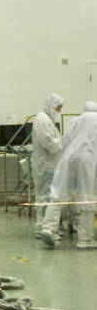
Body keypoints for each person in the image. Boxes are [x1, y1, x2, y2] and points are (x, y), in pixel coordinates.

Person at [38, 101, 97, 249]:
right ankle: (85, 239)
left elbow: (63, 142)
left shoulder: (75, 120)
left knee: (58, 194)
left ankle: (48, 228)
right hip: (88, 159)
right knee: (86, 198)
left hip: (68, 158)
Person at [31, 94, 64, 236]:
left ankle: (49, 227)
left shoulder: (47, 120)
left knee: (48, 196)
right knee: (43, 196)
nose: (59, 111)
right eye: (58, 107)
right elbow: (49, 143)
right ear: (51, 105)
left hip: (49, 164)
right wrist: (64, 142)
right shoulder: (42, 120)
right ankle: (41, 227)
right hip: (44, 165)